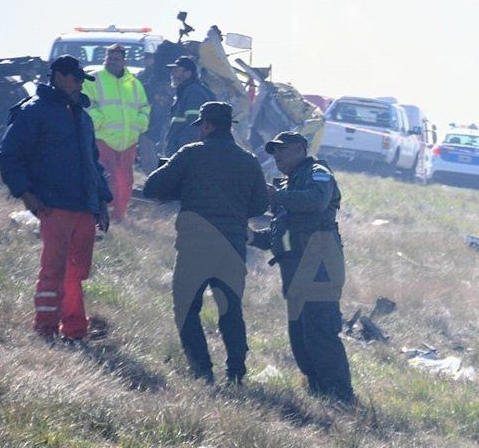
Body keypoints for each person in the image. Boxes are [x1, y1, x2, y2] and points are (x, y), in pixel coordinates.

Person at [143, 102, 268, 384]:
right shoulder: (248, 160)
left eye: (201, 126)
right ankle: (236, 372)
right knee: (230, 311)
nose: (200, 131)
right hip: (232, 246)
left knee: (186, 308)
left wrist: (184, 187)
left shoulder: (190, 154)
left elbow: (152, 187)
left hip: (195, 246)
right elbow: (260, 204)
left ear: (208, 125)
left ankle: (202, 372)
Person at [0, 55, 113, 341]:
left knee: (77, 272)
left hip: (83, 207)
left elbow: (92, 163)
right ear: (59, 76)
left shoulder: (82, 118)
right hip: (53, 205)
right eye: (75, 79)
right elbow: (8, 156)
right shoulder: (33, 111)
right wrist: (25, 193)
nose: (79, 86)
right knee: (54, 270)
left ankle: (74, 329)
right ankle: (45, 328)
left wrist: (100, 202)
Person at [257, 131, 354, 402]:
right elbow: (283, 233)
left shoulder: (317, 172)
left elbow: (316, 201)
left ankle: (340, 396)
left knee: (320, 331)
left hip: (319, 264)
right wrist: (252, 237)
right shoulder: (290, 183)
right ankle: (319, 390)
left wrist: (277, 197)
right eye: (274, 152)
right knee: (300, 336)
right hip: (297, 269)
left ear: (300, 149)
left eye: (283, 149)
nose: (277, 156)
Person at [83, 43, 150, 221]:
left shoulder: (135, 83)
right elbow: (85, 104)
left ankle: (119, 215)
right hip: (103, 138)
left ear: (124, 61)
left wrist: (140, 123)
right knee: (107, 178)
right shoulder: (93, 80)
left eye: (116, 59)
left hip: (128, 141)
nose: (112, 62)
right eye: (109, 58)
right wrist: (100, 121)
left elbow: (144, 107)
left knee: (126, 181)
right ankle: (107, 214)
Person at [165, 55, 215, 156]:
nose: (172, 74)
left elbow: (195, 125)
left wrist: (185, 149)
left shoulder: (193, 92)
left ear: (188, 73)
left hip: (185, 153)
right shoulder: (185, 91)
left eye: (176, 70)